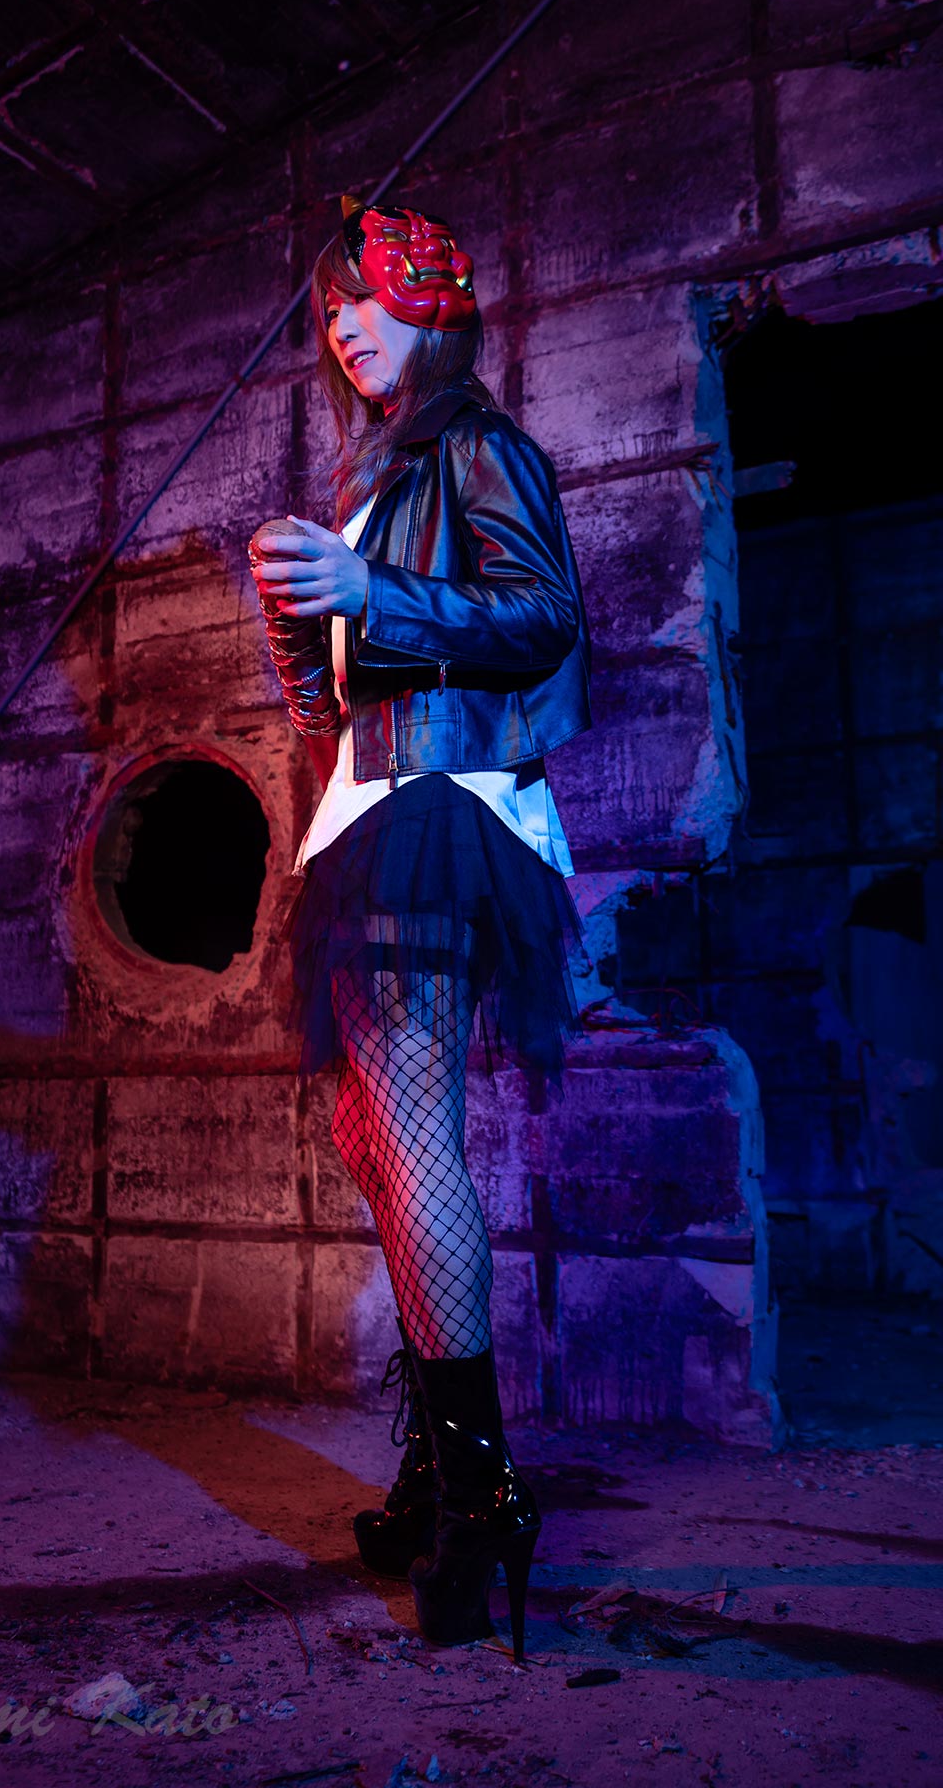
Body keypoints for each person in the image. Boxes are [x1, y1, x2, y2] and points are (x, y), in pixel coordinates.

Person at [247, 196, 593, 1666]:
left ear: (429, 299)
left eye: (361, 299)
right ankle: (446, 1466)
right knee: (374, 1135)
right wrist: (305, 632)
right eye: (330, 313)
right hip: (374, 798)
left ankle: (482, 1492)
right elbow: (337, 698)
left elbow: (543, 612)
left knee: (409, 1126)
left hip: (444, 804)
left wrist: (370, 587)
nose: (340, 328)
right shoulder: (380, 468)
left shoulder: (480, 444)